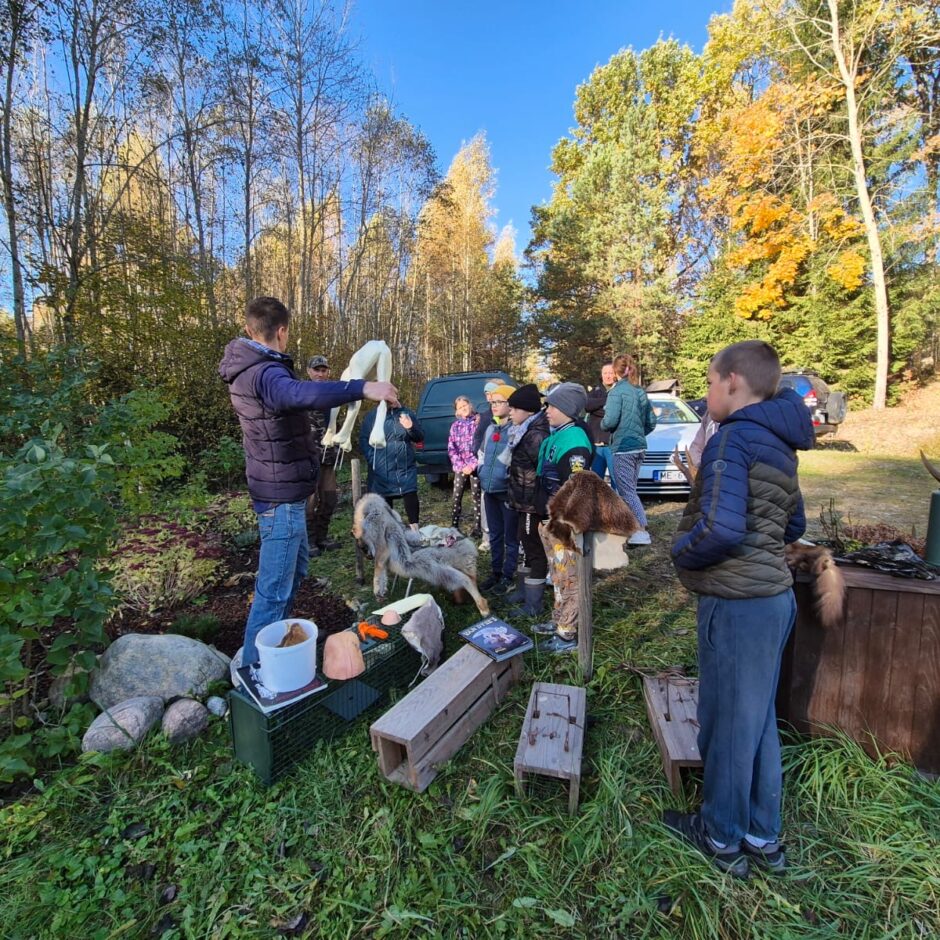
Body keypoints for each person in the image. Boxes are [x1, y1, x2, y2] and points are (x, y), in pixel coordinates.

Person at [663, 340, 814, 878]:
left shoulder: (733, 440)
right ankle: (762, 835)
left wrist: (679, 552)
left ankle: (722, 837)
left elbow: (720, 528)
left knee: (727, 721)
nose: (706, 395)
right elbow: (792, 526)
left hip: (738, 604)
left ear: (732, 381)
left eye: (707, 383)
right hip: (774, 599)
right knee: (757, 722)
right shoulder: (780, 442)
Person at [219, 296, 398, 667]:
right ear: (281, 331)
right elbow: (299, 394)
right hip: (281, 499)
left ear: (251, 329)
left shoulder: (254, 368)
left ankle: (274, 649)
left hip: (287, 495)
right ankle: (256, 670)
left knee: (294, 572)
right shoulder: (264, 373)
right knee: (273, 589)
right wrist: (363, 388)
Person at [531, 383, 593, 653]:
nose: (547, 410)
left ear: (567, 410)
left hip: (564, 523)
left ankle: (568, 634)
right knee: (557, 574)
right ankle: (559, 620)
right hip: (549, 519)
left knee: (569, 576)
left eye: (552, 406)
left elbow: (576, 487)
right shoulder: (556, 436)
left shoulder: (575, 440)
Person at [503, 384, 550, 612]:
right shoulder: (523, 430)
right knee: (524, 541)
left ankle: (534, 603)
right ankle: (523, 590)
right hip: (522, 500)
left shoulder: (536, 435)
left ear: (528, 411)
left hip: (532, 501)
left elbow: (541, 472)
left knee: (533, 547)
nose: (510, 412)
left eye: (514, 408)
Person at [602, 353, 656, 546]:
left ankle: (640, 530)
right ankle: (631, 528)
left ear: (616, 371)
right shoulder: (640, 391)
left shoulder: (616, 392)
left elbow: (609, 421)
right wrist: (639, 435)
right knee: (630, 489)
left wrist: (602, 423)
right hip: (639, 447)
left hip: (623, 447)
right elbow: (651, 421)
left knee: (627, 491)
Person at [476, 384, 518, 593]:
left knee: (510, 537)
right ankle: (495, 572)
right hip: (489, 489)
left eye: (499, 402)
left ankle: (509, 575)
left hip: (507, 492)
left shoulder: (515, 429)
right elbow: (482, 454)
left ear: (511, 405)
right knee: (494, 534)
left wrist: (507, 478)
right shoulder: (490, 428)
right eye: (492, 402)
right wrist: (481, 470)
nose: (494, 405)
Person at [359, 401, 424, 528]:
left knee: (410, 494)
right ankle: (389, 534)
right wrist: (373, 459)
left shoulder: (407, 414)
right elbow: (364, 440)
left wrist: (410, 427)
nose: (392, 400)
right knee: (385, 500)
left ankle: (415, 531)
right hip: (382, 467)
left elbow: (419, 436)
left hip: (404, 465)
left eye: (393, 396)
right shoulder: (373, 417)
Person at [304, 355, 342, 557]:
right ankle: (309, 541)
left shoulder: (333, 397)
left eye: (323, 370)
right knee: (310, 500)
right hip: (308, 457)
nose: (320, 373)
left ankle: (322, 537)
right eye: (316, 370)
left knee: (330, 498)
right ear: (309, 372)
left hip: (328, 457)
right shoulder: (302, 394)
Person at [447, 396, 482, 536]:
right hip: (460, 467)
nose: (463, 408)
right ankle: (454, 527)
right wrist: (461, 465)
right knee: (457, 496)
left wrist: (473, 465)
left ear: (470, 405)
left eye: (465, 405)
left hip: (475, 466)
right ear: (457, 411)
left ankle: (477, 528)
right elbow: (451, 448)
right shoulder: (455, 426)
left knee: (476, 497)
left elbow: (482, 445)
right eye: (460, 407)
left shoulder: (478, 422)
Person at [586, 362, 618, 492]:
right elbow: (587, 406)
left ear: (615, 374)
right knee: (596, 482)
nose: (608, 376)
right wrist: (606, 401)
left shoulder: (619, 391)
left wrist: (596, 408)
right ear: (601, 374)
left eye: (610, 373)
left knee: (617, 481)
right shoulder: (596, 390)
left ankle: (618, 510)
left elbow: (615, 413)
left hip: (613, 444)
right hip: (596, 445)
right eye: (605, 373)